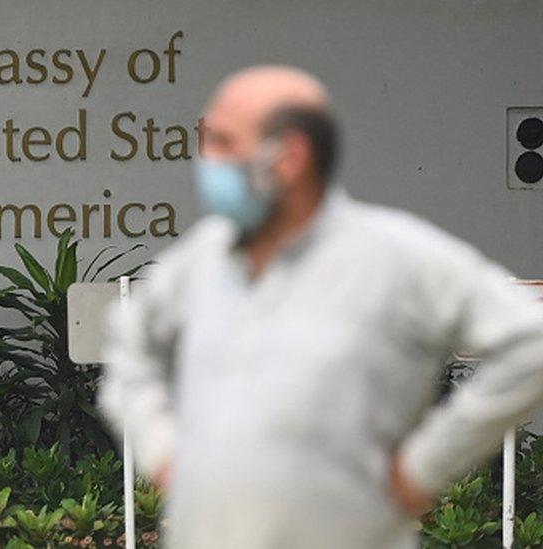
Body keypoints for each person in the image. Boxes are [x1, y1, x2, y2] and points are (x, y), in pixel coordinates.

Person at [96, 65, 543, 548]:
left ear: (289, 156)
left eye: (224, 143)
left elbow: (530, 344)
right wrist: (161, 450)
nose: (206, 160)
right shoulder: (199, 260)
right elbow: (129, 347)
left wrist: (424, 467)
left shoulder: (398, 257)